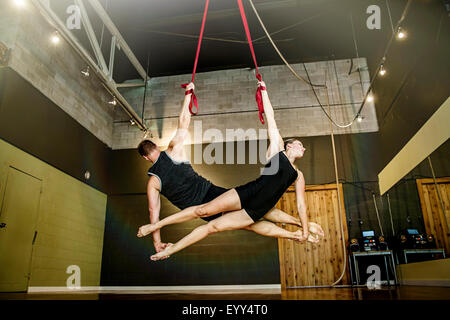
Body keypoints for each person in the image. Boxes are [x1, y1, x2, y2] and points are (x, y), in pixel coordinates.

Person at [137, 81, 325, 261]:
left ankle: (299, 232)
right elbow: (184, 122)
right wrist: (188, 94)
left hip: (223, 202)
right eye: (300, 144)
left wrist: (157, 240)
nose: (303, 148)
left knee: (246, 221)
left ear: (145, 158)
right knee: (236, 223)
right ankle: (297, 233)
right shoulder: (174, 150)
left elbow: (153, 210)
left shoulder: (153, 182)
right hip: (228, 192)